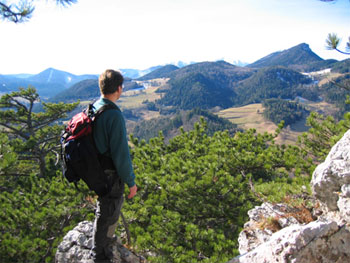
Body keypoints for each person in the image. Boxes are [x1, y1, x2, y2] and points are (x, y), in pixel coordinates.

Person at [91, 69, 137, 262]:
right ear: (119, 88)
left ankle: (105, 241)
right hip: (109, 173)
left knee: (106, 207)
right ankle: (99, 253)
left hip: (95, 169)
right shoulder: (113, 115)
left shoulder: (95, 107)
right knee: (109, 209)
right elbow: (121, 155)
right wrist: (131, 182)